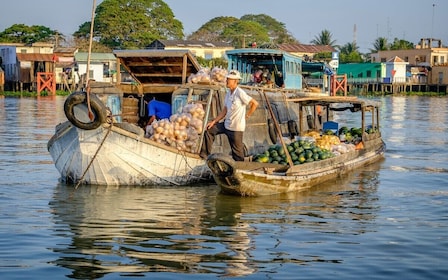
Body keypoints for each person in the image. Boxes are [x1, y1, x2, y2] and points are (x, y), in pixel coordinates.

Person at [200, 70, 259, 161]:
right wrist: (214, 121)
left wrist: (248, 115)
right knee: (209, 130)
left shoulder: (240, 93)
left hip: (236, 128)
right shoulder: (228, 93)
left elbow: (255, 103)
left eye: (229, 79)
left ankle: (240, 169)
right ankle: (204, 155)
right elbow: (225, 110)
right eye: (227, 79)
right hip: (226, 124)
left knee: (237, 153)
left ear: (235, 81)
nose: (227, 81)